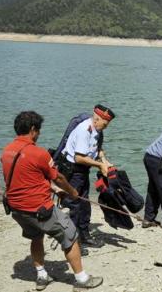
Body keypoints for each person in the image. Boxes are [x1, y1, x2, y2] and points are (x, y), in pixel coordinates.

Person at [1, 111, 102, 291]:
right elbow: (59, 178)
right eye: (38, 130)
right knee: (70, 234)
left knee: (36, 236)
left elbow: (24, 180)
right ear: (33, 130)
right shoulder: (39, 153)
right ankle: (82, 280)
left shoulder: (7, 151)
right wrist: (71, 192)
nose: (39, 134)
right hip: (39, 209)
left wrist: (54, 190)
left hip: (17, 210)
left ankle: (41, 276)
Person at [61, 104, 115, 248]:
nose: (106, 127)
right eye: (105, 124)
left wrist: (104, 161)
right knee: (74, 206)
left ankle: (84, 235)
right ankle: (73, 243)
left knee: (84, 204)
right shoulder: (85, 130)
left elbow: (97, 149)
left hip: (83, 171)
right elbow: (79, 157)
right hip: (73, 171)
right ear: (97, 118)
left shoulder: (97, 130)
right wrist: (99, 166)